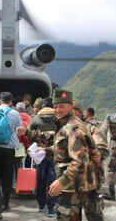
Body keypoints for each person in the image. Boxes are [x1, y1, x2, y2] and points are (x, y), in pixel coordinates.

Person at [47, 89, 103, 221]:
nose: (57, 110)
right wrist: (45, 150)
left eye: (61, 106)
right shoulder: (67, 124)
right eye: (55, 106)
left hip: (74, 185)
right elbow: (67, 150)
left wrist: (62, 181)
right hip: (81, 183)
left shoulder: (73, 128)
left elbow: (80, 159)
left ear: (72, 105)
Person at [28, 97, 57, 218]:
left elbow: (29, 135)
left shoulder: (36, 118)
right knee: (53, 180)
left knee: (40, 179)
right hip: (54, 153)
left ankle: (41, 204)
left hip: (40, 154)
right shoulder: (58, 119)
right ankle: (51, 208)